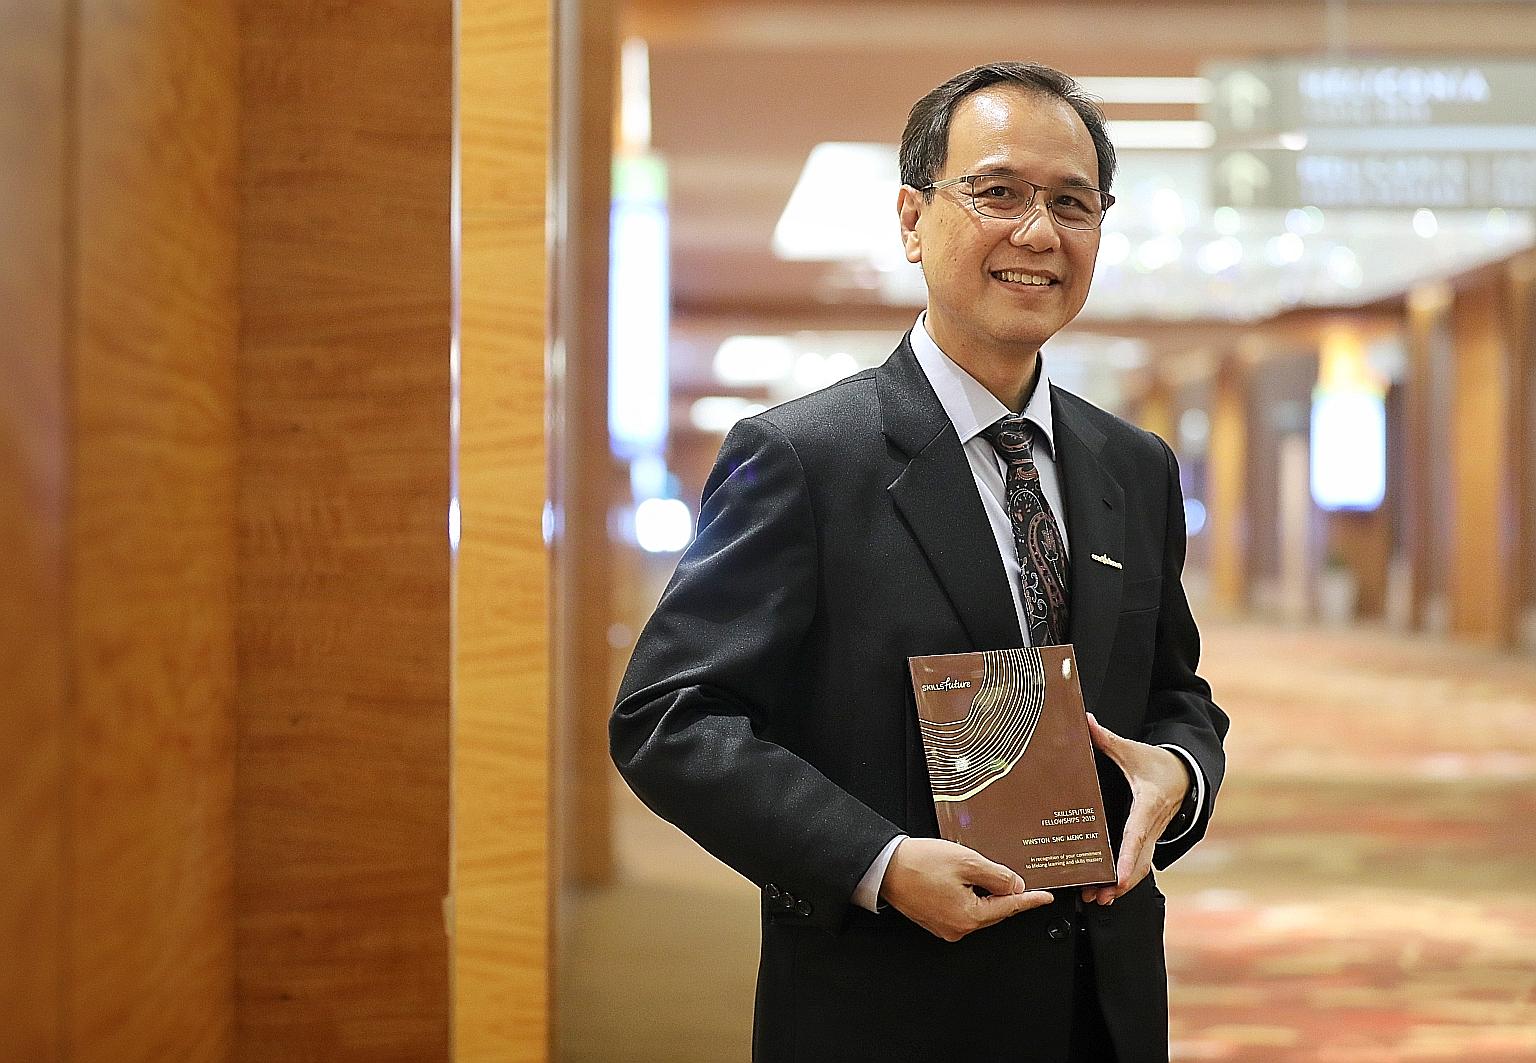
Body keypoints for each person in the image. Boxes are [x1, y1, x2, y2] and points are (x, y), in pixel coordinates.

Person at [610, 61, 1229, 1063]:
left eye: (1073, 202)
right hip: (891, 1000)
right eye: (998, 192)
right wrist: (878, 861)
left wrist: (1185, 775)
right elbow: (669, 717)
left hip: (1103, 1000)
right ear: (911, 219)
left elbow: (1175, 692)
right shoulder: (808, 458)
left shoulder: (1133, 466)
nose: (1039, 233)